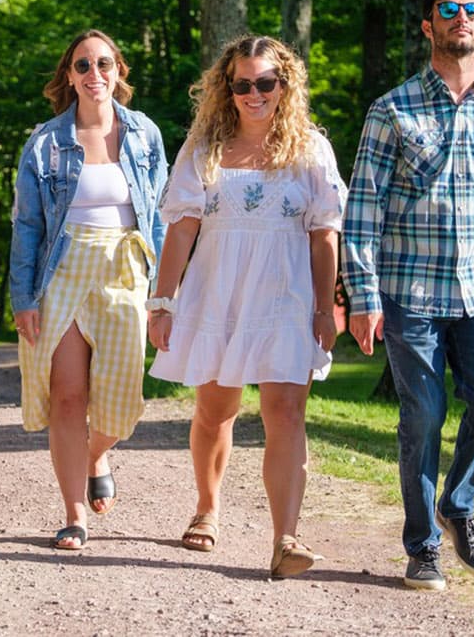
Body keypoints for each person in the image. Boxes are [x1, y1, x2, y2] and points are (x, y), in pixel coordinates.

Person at [342, 0, 474, 591]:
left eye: (472, 10)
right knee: (423, 415)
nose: (461, 17)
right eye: (448, 10)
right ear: (429, 26)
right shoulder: (392, 109)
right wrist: (362, 297)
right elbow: (362, 210)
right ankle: (423, 544)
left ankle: (458, 504)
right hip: (410, 293)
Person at [147, 35, 346, 578]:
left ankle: (286, 539)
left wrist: (325, 307)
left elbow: (324, 234)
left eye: (265, 82)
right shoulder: (204, 147)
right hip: (219, 292)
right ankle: (207, 507)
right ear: (227, 88)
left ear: (284, 85)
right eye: (242, 84)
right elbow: (181, 228)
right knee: (216, 411)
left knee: (286, 413)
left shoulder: (311, 151)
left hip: (287, 297)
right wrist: (163, 302)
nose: (254, 93)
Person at [8, 30, 168, 550]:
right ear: (69, 76)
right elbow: (27, 225)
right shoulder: (46, 142)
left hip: (126, 269)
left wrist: (164, 294)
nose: (94, 74)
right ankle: (74, 515)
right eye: (83, 65)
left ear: (118, 71)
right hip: (63, 271)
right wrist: (24, 298)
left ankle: (97, 453)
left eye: (103, 63)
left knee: (122, 400)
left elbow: (160, 218)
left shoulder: (144, 134)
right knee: (68, 397)